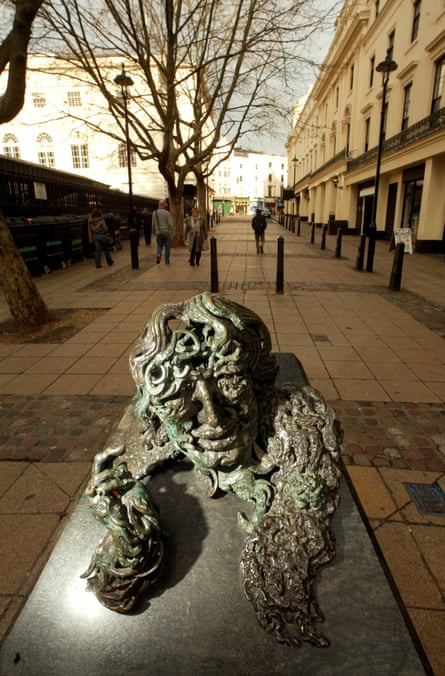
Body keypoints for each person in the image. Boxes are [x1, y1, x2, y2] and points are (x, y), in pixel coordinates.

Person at [152, 199, 174, 264]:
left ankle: (158, 254)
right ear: (164, 205)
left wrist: (153, 232)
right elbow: (170, 224)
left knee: (159, 245)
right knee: (167, 247)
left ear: (158, 204)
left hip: (158, 232)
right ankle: (167, 261)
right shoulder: (167, 213)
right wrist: (172, 231)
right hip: (166, 232)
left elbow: (153, 224)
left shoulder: (154, 213)